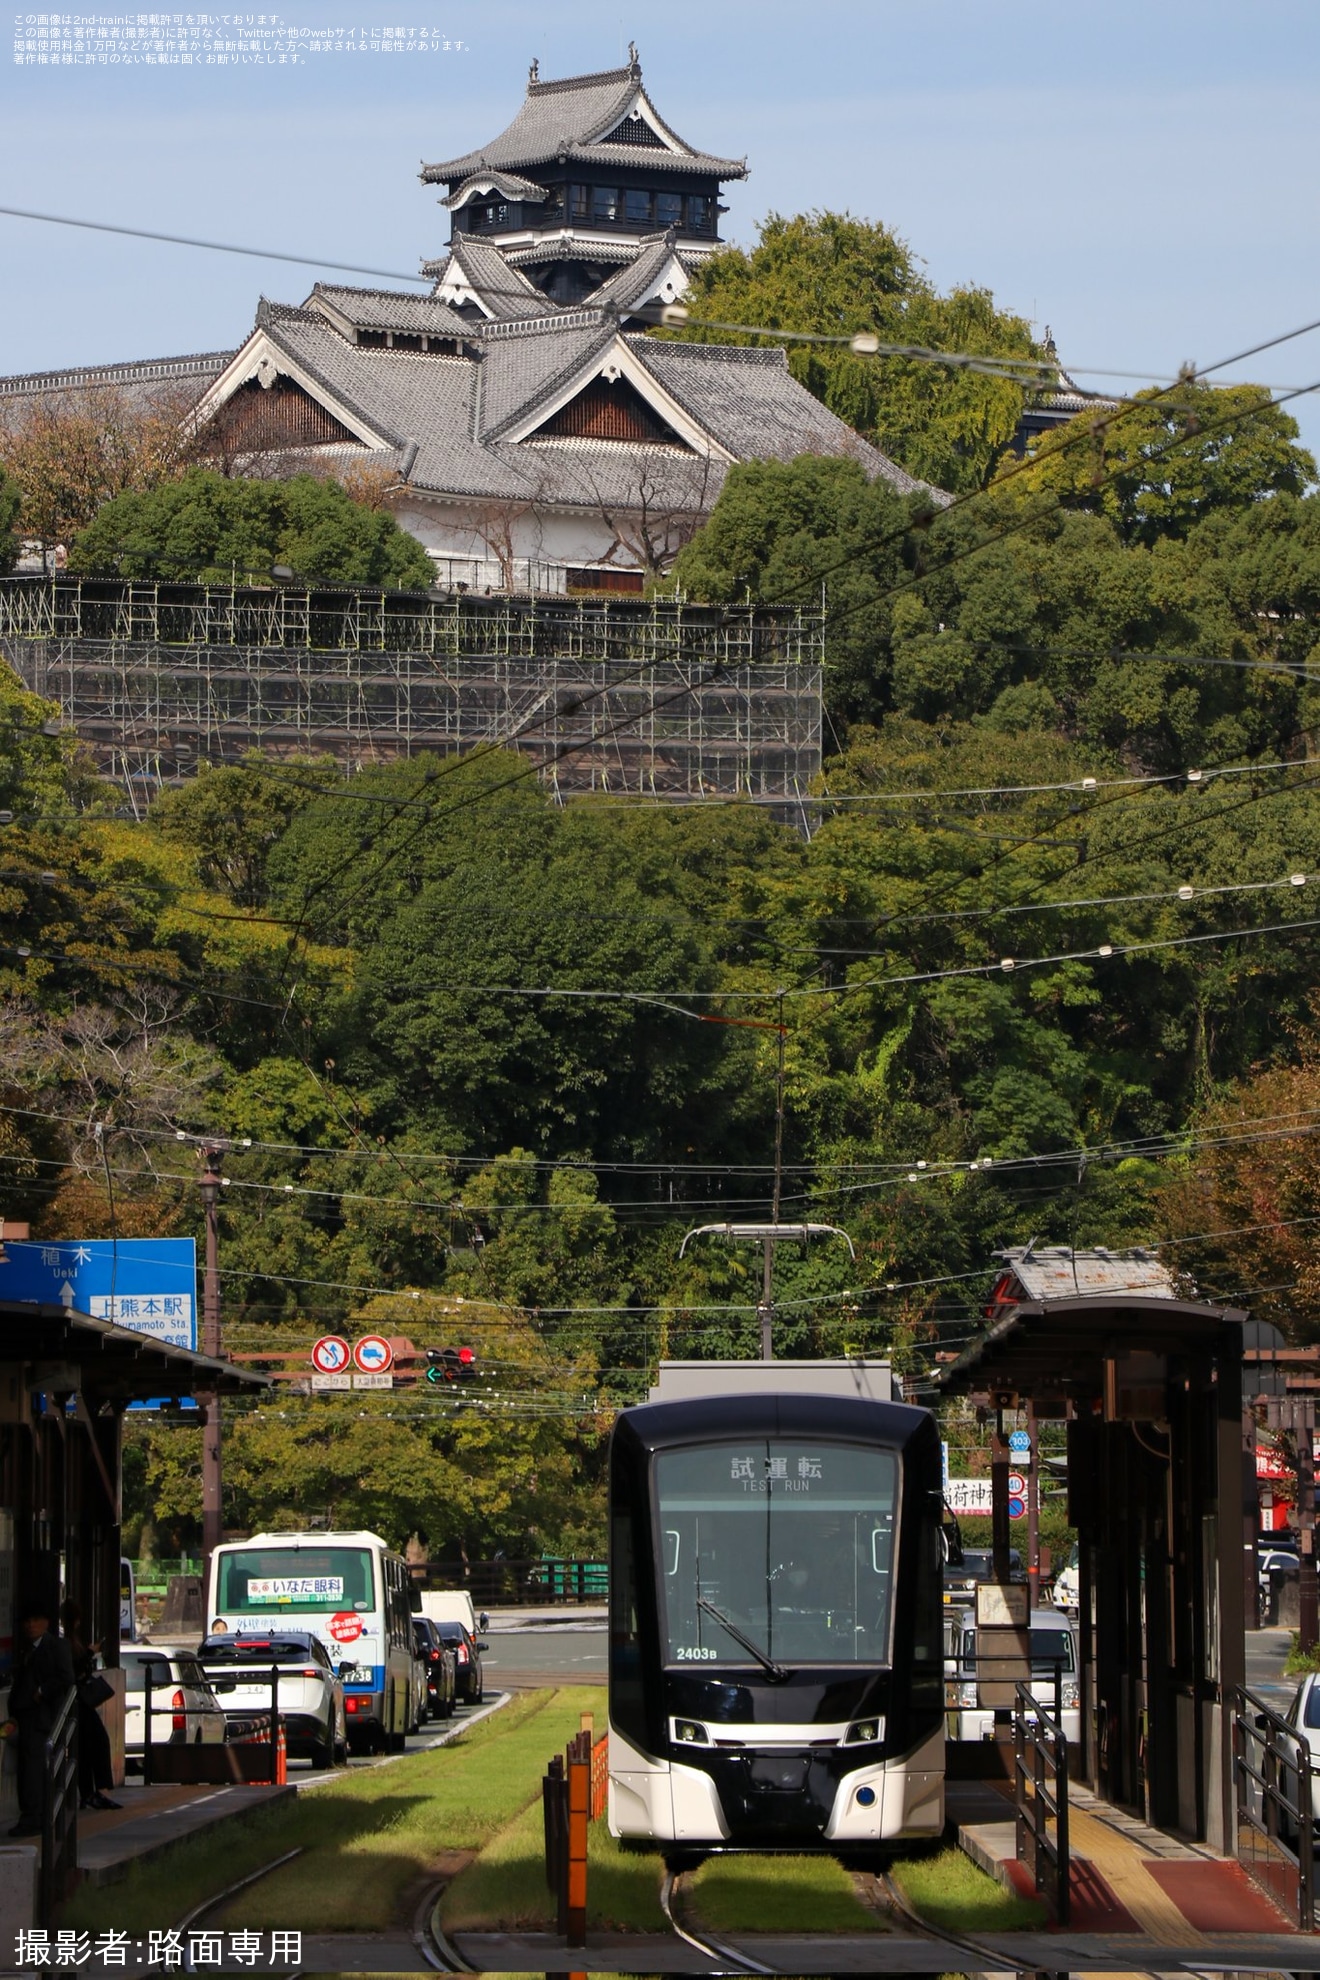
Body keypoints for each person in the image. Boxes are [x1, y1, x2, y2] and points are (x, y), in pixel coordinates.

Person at [8, 1597, 76, 1837]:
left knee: (35, 1770)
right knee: (26, 1770)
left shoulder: (56, 1646)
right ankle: (32, 1816)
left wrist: (43, 1690)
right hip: (24, 1718)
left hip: (42, 1719)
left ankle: (36, 1818)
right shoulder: (26, 1649)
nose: (31, 1625)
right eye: (27, 1621)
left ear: (47, 1622)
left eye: (36, 1620)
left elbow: (67, 1678)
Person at [59, 1600, 120, 1813]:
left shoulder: (66, 1641)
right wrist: (89, 1653)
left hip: (75, 1702)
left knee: (83, 1749)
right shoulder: (67, 1642)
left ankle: (88, 1793)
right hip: (79, 1702)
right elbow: (74, 1670)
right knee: (98, 1741)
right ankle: (100, 1791)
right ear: (76, 1620)